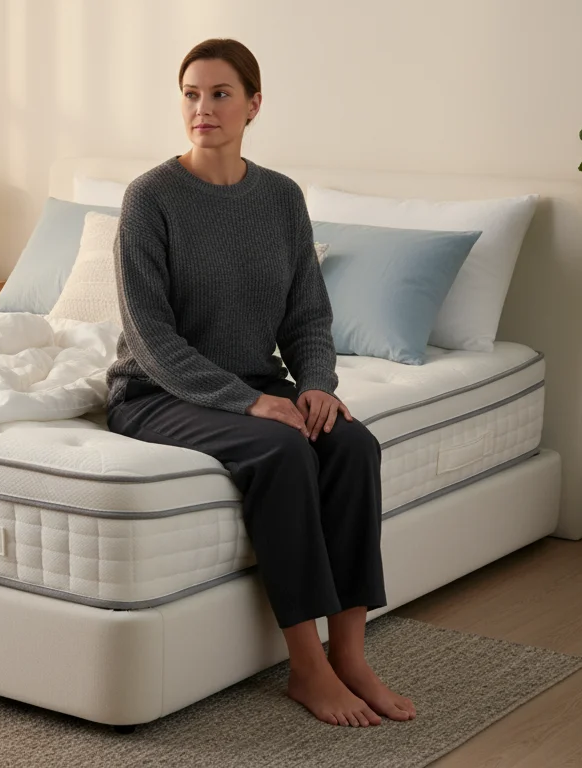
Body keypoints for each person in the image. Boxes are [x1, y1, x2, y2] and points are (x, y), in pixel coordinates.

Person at [105, 38, 415, 727]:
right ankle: (307, 667)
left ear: (253, 104)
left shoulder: (279, 198)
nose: (203, 108)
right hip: (157, 394)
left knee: (352, 445)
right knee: (282, 451)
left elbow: (308, 312)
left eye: (219, 94)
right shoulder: (150, 198)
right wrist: (250, 402)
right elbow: (153, 341)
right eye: (191, 93)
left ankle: (352, 656)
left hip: (256, 381)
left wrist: (316, 384)